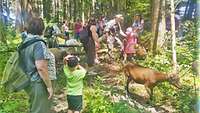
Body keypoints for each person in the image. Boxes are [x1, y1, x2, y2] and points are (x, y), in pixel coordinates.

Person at [21, 17, 53, 113]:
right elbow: (41, 68)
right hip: (38, 82)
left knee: (34, 108)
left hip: (28, 81)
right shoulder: (38, 43)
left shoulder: (25, 42)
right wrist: (49, 86)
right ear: (41, 29)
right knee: (40, 109)